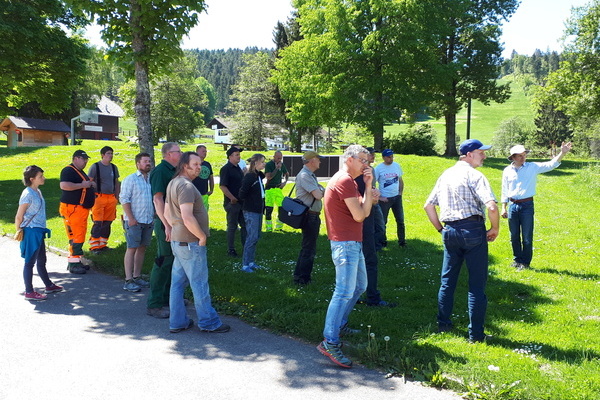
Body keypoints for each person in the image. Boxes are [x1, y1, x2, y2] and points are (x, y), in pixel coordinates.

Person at [424, 139, 499, 343]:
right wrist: (495, 228)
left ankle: (444, 324)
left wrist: (441, 229)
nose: (484, 155)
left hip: (450, 230)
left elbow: (428, 206)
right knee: (476, 285)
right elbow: (491, 207)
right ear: (468, 155)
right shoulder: (475, 175)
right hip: (473, 229)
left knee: (447, 281)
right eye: (480, 152)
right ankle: (476, 335)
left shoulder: (446, 175)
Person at [317, 145, 373, 368]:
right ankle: (330, 341)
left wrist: (368, 187)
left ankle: (339, 324)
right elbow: (360, 215)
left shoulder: (351, 181)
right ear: (349, 159)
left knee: (360, 285)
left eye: (367, 160)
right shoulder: (344, 181)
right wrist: (367, 195)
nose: (366, 164)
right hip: (345, 243)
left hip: (352, 242)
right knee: (343, 292)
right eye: (362, 160)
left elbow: (365, 211)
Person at [164, 151, 230, 334]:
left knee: (177, 284)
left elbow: (167, 212)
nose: (199, 167)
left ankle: (177, 322)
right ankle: (209, 322)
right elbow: (187, 216)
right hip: (190, 243)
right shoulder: (185, 186)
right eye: (195, 164)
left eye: (200, 164)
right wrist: (201, 236)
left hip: (179, 242)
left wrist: (174, 228)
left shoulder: (173, 183)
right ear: (185, 165)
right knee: (199, 283)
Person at [501, 142, 572, 270]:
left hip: (527, 205)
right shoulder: (507, 171)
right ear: (513, 157)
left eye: (524, 155)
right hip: (513, 205)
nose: (523, 158)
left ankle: (525, 263)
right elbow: (504, 189)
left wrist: (562, 153)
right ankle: (517, 259)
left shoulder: (532, 167)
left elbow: (551, 164)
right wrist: (503, 207)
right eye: (520, 156)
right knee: (514, 236)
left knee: (527, 237)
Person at [15, 165, 63, 300]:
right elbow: (19, 216)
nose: (43, 178)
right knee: (29, 262)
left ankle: (48, 285)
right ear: (32, 179)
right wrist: (18, 231)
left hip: (39, 231)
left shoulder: (37, 191)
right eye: (40, 176)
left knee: (42, 260)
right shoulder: (27, 194)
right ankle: (29, 292)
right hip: (31, 232)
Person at [356, 148, 395, 307]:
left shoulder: (361, 174)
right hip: (362, 222)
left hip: (364, 222)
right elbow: (359, 200)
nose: (369, 161)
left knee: (359, 261)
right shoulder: (357, 177)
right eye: (365, 159)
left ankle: (357, 295)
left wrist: (374, 194)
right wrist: (372, 197)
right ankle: (371, 297)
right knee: (369, 260)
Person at [146, 142, 182, 319]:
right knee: (163, 261)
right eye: (178, 151)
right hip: (165, 223)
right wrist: (166, 225)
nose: (181, 153)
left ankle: (170, 299)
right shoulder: (161, 171)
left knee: (172, 262)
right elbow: (158, 200)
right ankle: (154, 304)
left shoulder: (174, 170)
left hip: (175, 222)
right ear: (168, 154)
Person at [120, 153, 154, 292]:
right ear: (138, 164)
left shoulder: (151, 180)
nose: (148, 163)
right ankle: (128, 280)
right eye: (145, 161)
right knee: (132, 248)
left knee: (142, 248)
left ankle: (137, 276)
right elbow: (124, 199)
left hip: (148, 219)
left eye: (149, 161)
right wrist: (131, 218)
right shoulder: (131, 179)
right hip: (134, 221)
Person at [59, 150, 96, 274]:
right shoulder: (68, 170)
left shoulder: (79, 171)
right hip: (72, 209)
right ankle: (73, 264)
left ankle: (76, 261)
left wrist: (90, 185)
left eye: (86, 159)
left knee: (79, 235)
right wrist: (83, 185)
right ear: (75, 158)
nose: (85, 161)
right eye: (83, 159)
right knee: (75, 236)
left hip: (79, 209)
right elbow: (64, 185)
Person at [293, 151, 325, 285]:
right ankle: (303, 279)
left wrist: (320, 189)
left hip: (311, 215)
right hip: (309, 216)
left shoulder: (309, 174)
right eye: (318, 159)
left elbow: (319, 191)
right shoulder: (305, 175)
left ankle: (299, 275)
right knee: (309, 248)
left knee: (307, 247)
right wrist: (321, 190)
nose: (320, 162)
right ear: (312, 161)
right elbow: (318, 194)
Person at [88, 146, 120, 254]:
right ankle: (94, 247)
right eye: (108, 153)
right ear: (102, 155)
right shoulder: (95, 166)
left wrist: (117, 196)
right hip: (99, 197)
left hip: (111, 198)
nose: (110, 156)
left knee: (107, 222)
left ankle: (103, 245)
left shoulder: (114, 167)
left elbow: (116, 182)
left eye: (111, 153)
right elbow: (89, 182)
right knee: (97, 222)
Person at [238, 153, 266, 273]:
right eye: (262, 162)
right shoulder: (250, 177)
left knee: (256, 237)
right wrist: (251, 201)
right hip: (251, 211)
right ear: (255, 163)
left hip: (258, 210)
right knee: (251, 237)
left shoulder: (258, 175)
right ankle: (245, 264)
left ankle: (251, 261)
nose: (264, 164)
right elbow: (242, 194)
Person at [375, 149, 406, 247]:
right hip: (385, 199)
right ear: (383, 157)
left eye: (392, 156)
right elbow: (372, 184)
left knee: (400, 220)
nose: (391, 158)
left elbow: (400, 180)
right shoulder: (379, 168)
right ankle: (382, 242)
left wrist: (400, 193)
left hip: (396, 197)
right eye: (388, 157)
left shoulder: (396, 166)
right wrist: (379, 197)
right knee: (383, 221)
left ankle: (402, 241)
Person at [219, 146, 246, 257]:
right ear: (230, 156)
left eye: (239, 154)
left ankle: (246, 247)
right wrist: (232, 198)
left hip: (241, 202)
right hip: (232, 203)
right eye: (236, 155)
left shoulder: (238, 168)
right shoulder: (226, 169)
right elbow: (222, 186)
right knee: (232, 226)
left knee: (244, 225)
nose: (239, 156)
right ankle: (231, 249)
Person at [264, 151, 289, 232]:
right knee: (269, 209)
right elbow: (269, 177)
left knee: (282, 208)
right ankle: (268, 228)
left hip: (278, 189)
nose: (279, 160)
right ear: (274, 157)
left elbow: (287, 173)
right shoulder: (269, 165)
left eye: (281, 158)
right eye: (278, 158)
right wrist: (276, 168)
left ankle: (278, 228)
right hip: (269, 190)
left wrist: (285, 182)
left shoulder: (281, 164)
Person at [192, 144, 214, 211]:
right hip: (193, 193)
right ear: (197, 152)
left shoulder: (207, 164)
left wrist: (211, 190)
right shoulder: (192, 163)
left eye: (206, 151)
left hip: (204, 193)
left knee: (204, 214)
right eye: (203, 151)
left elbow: (211, 177)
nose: (205, 153)